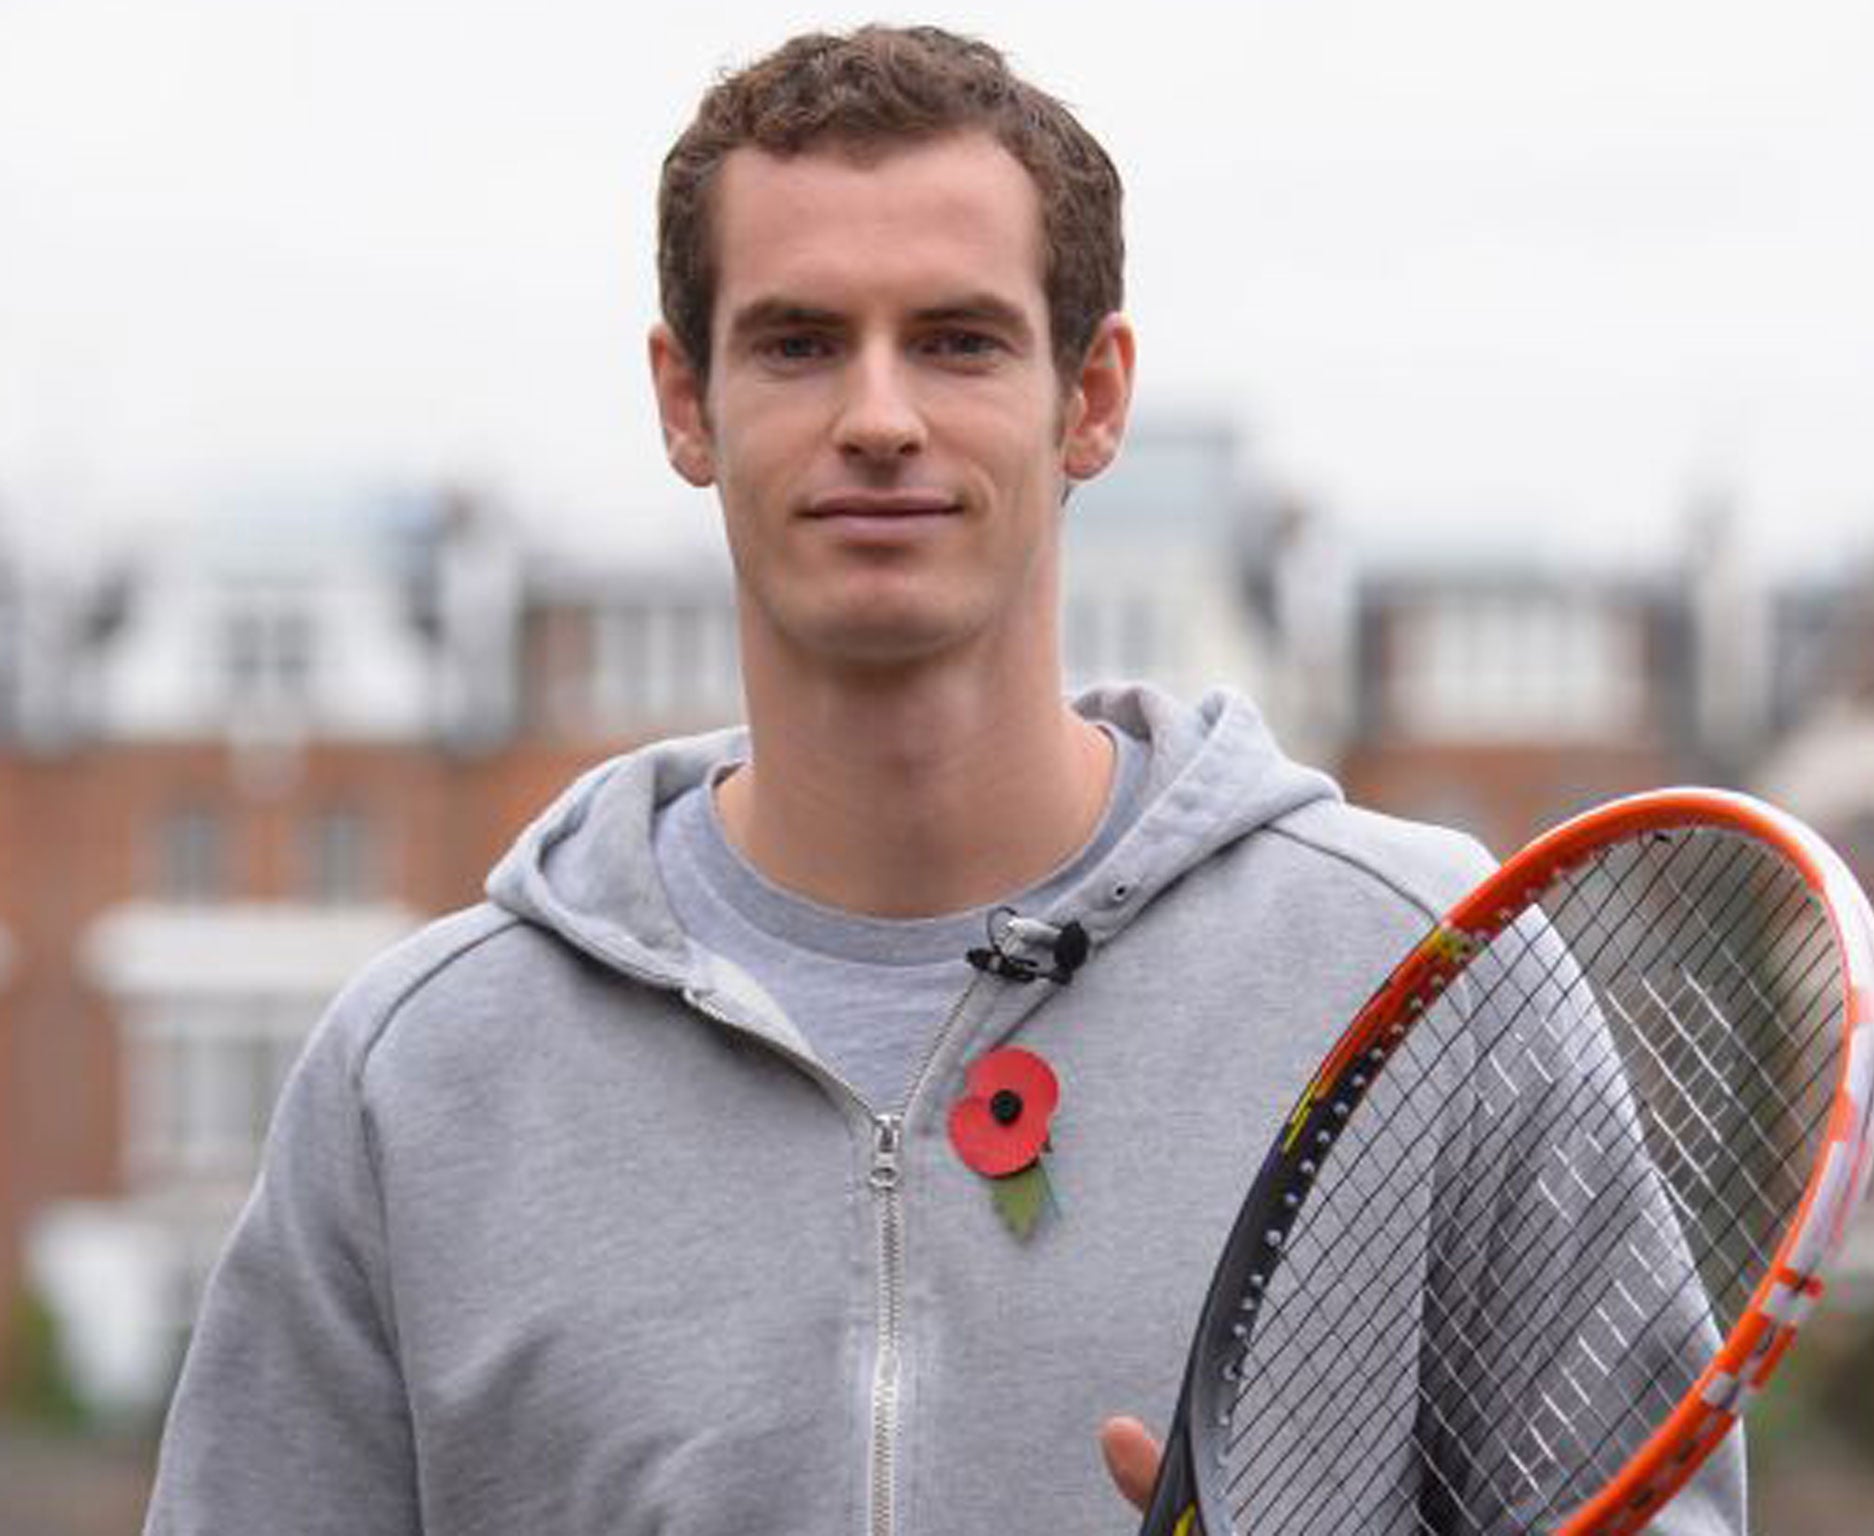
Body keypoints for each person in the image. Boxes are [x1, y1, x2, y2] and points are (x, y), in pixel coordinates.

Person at [144, 25, 1742, 1535]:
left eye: (962, 342)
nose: (882, 416)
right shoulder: (423, 1078)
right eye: (798, 343)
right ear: (687, 402)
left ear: (1093, 397)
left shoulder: (1426, 980)